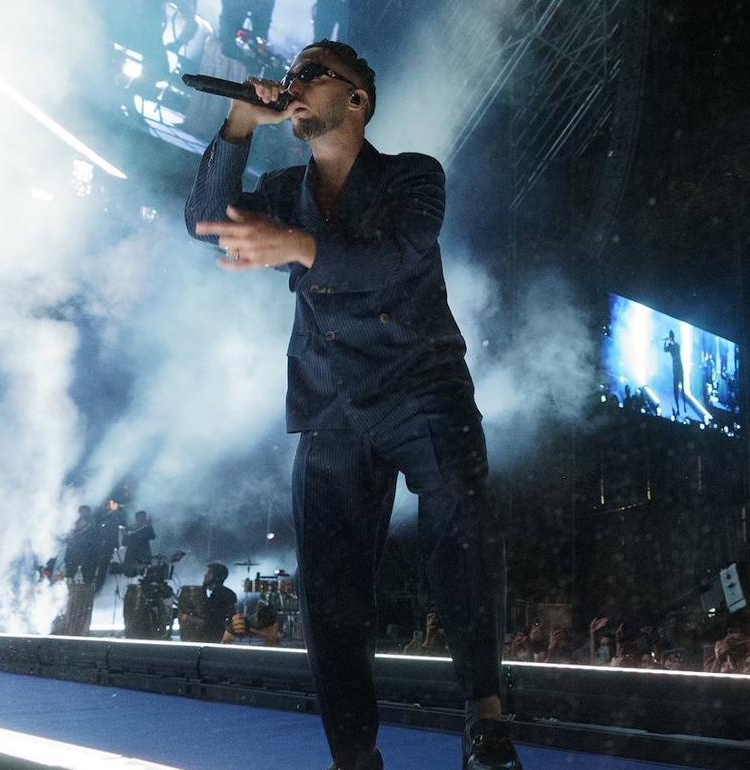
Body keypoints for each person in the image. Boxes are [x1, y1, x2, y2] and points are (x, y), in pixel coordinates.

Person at [185, 39, 518, 770]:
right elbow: (204, 219)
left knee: (461, 516)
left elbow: (393, 256)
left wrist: (301, 247)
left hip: (421, 385)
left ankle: (485, 714)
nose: (295, 83)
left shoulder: (413, 177)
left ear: (357, 100)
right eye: (293, 75)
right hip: (331, 400)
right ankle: (354, 754)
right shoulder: (282, 189)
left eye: (313, 75)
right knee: (329, 590)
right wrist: (240, 125)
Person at [62, 505, 95, 581]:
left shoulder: (91, 524)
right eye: (82, 511)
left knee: (86, 574)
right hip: (73, 551)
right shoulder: (74, 523)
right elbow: (69, 535)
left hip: (85, 551)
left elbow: (92, 537)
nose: (84, 513)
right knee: (70, 572)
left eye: (86, 511)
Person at [662, 330, 685, 418]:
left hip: (676, 368)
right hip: (679, 367)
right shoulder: (676, 345)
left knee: (676, 389)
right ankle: (683, 407)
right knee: (681, 388)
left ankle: (679, 408)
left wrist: (665, 341)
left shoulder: (672, 346)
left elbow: (665, 349)